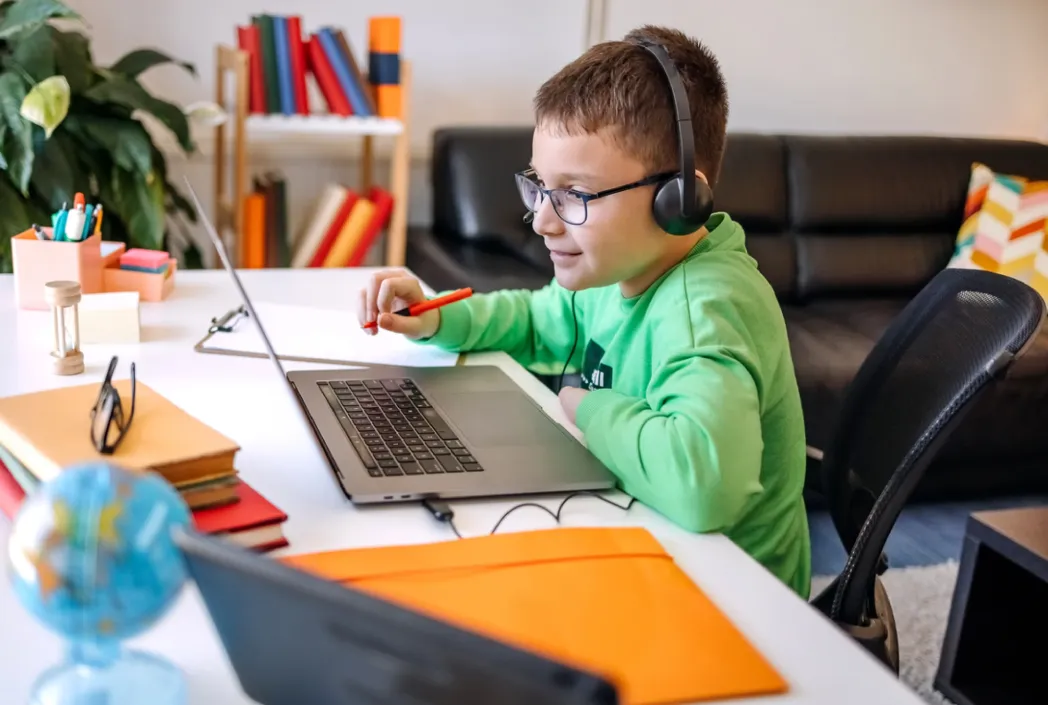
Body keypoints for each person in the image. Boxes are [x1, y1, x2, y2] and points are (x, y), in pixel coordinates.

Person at [356, 25, 811, 598]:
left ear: (679, 200)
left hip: (732, 596)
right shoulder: (611, 271)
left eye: (574, 194)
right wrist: (438, 319)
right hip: (648, 537)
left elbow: (702, 487)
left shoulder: (706, 307)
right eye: (539, 187)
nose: (543, 221)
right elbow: (537, 321)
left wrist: (587, 407)